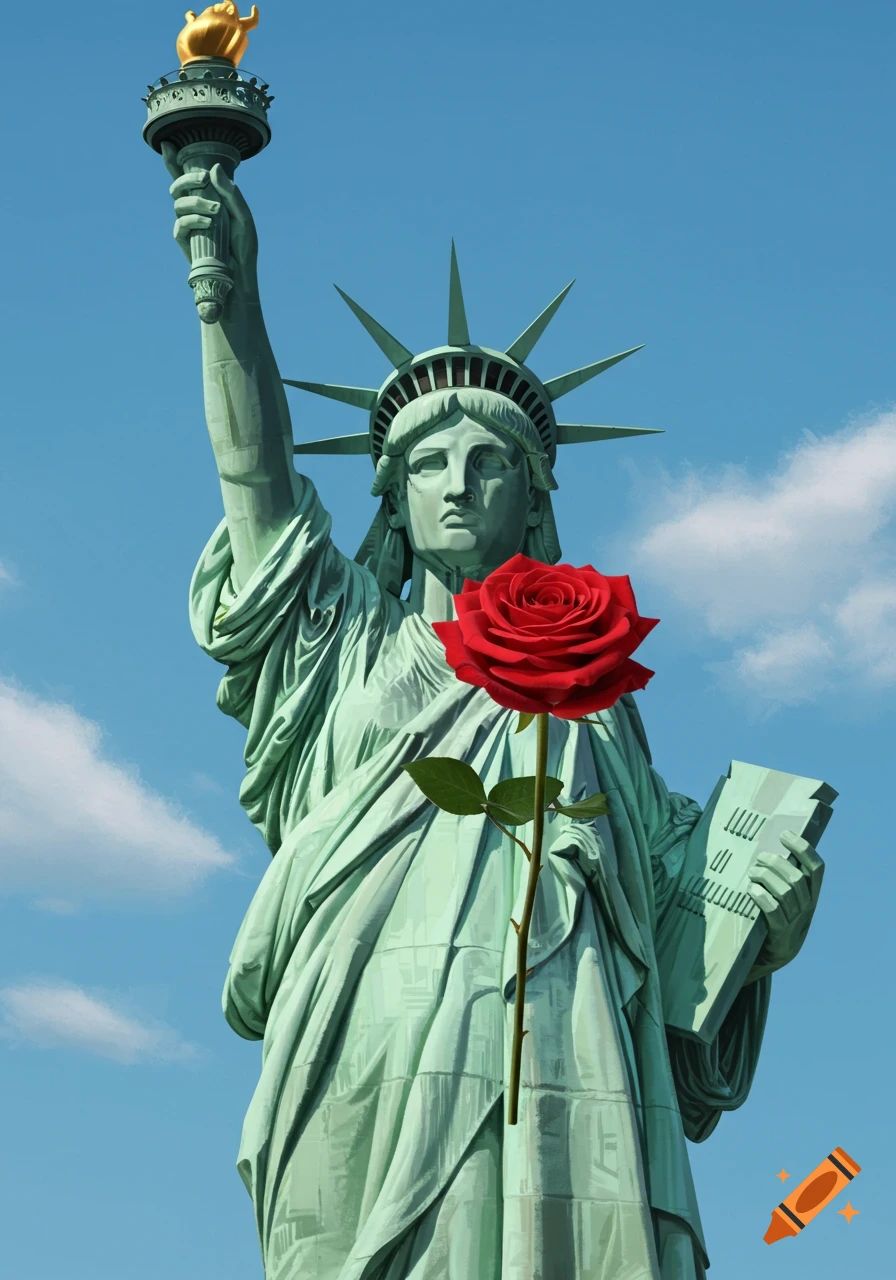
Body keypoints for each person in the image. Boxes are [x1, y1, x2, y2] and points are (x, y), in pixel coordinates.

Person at [163, 146, 824, 1280]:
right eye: (426, 462)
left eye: (487, 459)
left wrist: (765, 921)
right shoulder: (343, 644)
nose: (457, 480)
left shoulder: (597, 700)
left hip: (564, 1045)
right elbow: (255, 478)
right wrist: (226, 295)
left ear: (534, 494)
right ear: (393, 496)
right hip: (366, 1025)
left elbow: (671, 930)